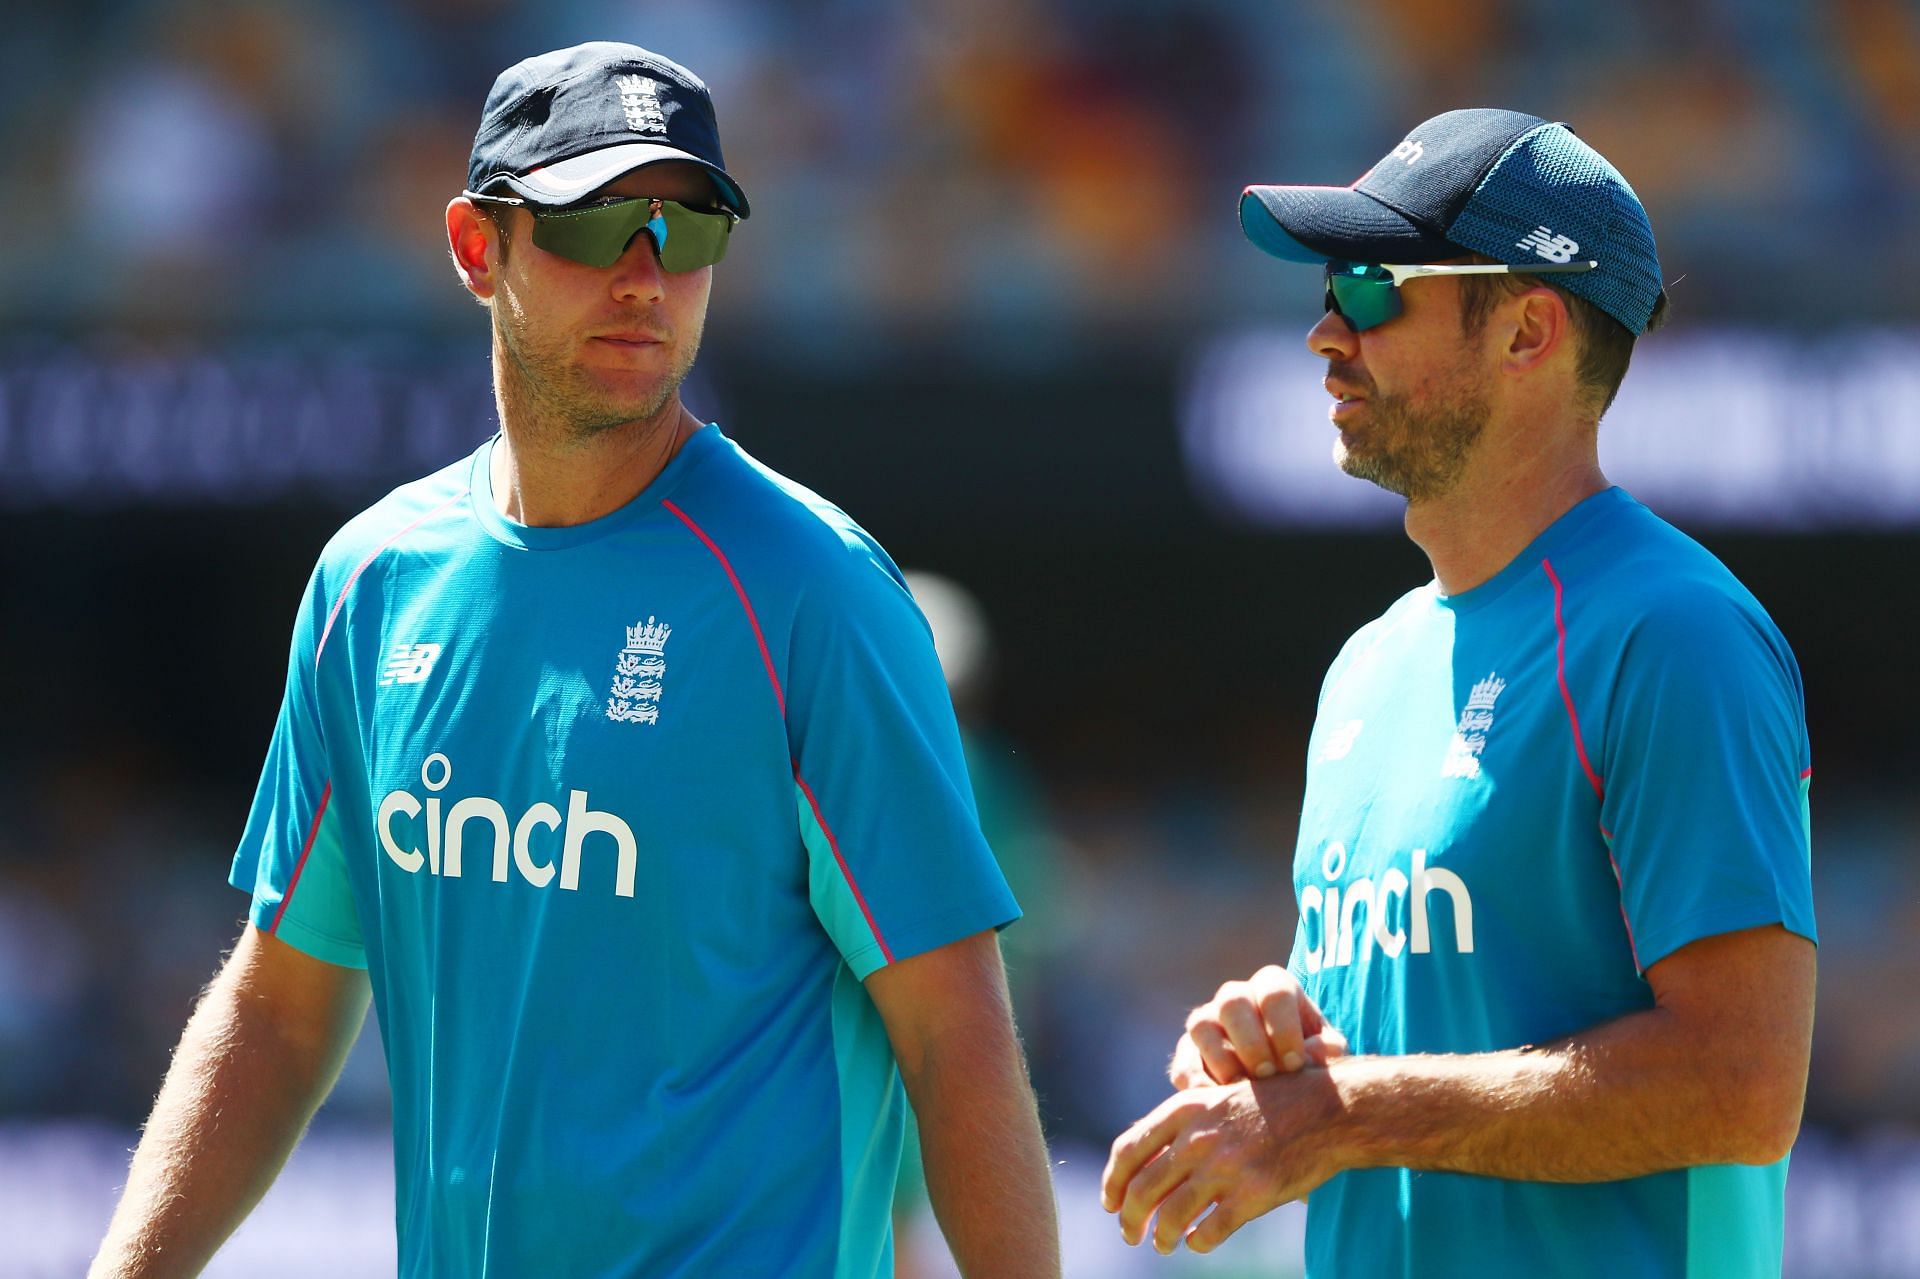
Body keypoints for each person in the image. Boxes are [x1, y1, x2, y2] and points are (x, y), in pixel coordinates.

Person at [91, 42, 1059, 1279]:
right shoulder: (371, 584)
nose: (648, 277)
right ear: (476, 245)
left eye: (690, 227)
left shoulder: (816, 591)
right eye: (598, 224)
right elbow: (279, 1008)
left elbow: (956, 1041)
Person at [1101, 108, 1816, 1277]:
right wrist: (1275, 1053)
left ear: (1529, 329)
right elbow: (1390, 1065)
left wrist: (1338, 1113)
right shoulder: (1366, 670)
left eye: (1374, 287)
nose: (1327, 332)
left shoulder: (1676, 632)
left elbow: (1740, 1087)